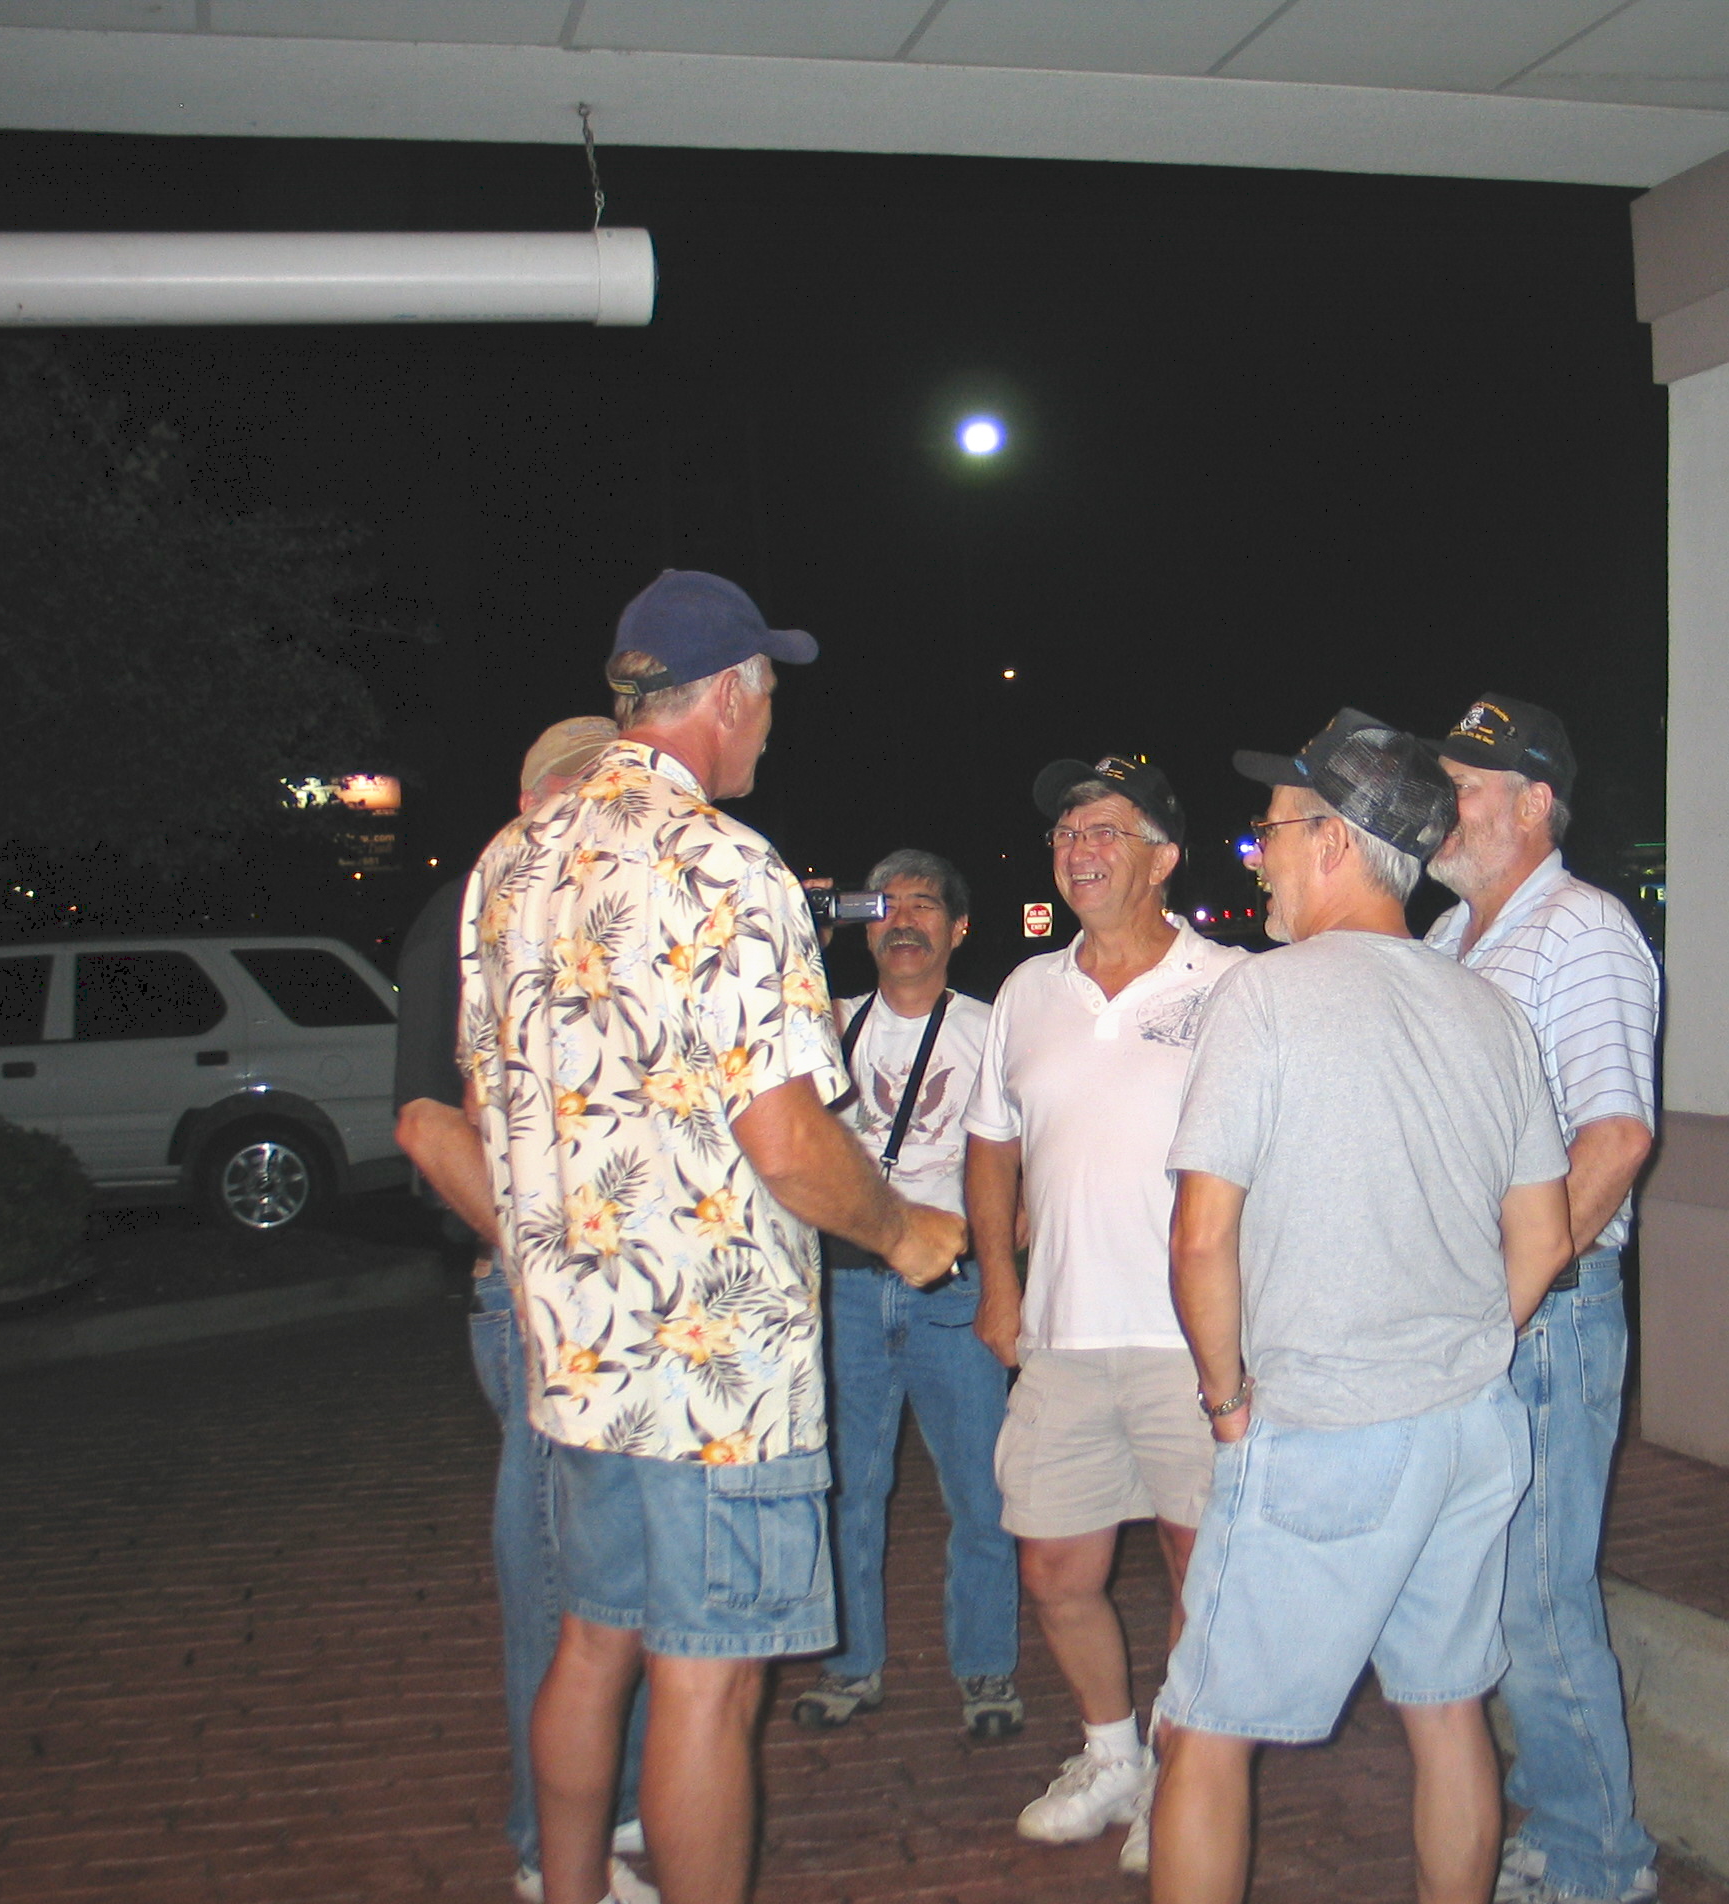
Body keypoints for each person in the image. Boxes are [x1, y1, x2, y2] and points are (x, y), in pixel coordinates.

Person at [459, 570, 966, 1904]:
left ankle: (570, 1889)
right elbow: (786, 1139)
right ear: (729, 694)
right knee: (708, 1681)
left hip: (579, 1356)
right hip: (716, 1375)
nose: (772, 723)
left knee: (593, 1645)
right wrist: (905, 1230)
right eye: (769, 694)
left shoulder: (513, 862)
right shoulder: (729, 866)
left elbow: (488, 1102)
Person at [1152, 708, 1575, 1904]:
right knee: (1448, 1713)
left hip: (1323, 1431)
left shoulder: (1265, 998)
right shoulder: (1487, 1010)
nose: (1261, 859)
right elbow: (1545, 1236)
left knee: (1203, 1732)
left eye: (1274, 833)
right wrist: (1457, 1346)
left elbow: (1201, 1235)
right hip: (1469, 1430)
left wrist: (1227, 1401)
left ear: (1336, 842)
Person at [962, 753, 1245, 1867]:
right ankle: (1112, 1753)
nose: (1078, 851)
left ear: (1163, 858)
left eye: (1104, 832)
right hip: (1063, 1336)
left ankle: (1180, 1773)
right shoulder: (1027, 992)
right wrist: (1000, 1284)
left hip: (1195, 1340)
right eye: (1066, 834)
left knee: (1199, 1568)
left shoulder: (1233, 984)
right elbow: (992, 1146)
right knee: (1053, 1568)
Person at [392, 714, 654, 1904]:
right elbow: (426, 1123)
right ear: (538, 799)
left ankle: (621, 1807)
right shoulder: (472, 911)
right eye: (584, 792)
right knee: (560, 1586)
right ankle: (557, 1857)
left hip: (614, 1297)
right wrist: (546, 1263)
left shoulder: (583, 911)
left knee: (613, 1580)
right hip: (540, 1301)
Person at [1425, 693, 1663, 1904]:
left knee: (1537, 1595)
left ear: (1533, 804)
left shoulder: (1586, 931)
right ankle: (1557, 1811)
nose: (1444, 806)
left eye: (1467, 785)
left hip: (1547, 1319)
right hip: (1476, 1315)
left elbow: (1616, 1139)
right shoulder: (1448, 937)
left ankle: (1599, 1859)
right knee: (1484, 1588)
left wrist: (1510, 1300)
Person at [791, 848, 1025, 1739]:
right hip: (846, 1286)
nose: (904, 921)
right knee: (846, 1490)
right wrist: (800, 942)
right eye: (885, 905)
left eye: (925, 905)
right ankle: (852, 1666)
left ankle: (987, 1668)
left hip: (954, 1291)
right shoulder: (824, 1022)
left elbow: (1036, 1148)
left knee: (981, 1494)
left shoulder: (991, 1029)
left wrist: (1008, 1254)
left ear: (958, 929)